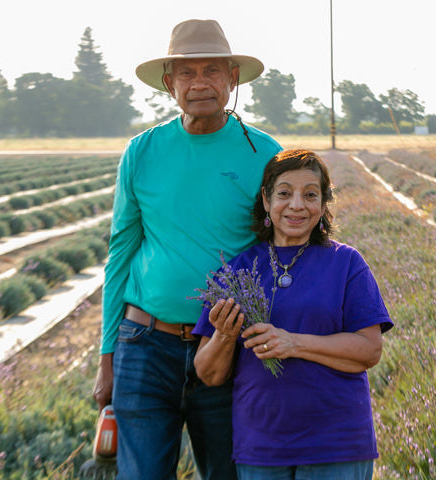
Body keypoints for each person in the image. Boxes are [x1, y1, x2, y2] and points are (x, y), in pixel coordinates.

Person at [91, 18, 282, 480]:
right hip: (144, 345)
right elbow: (121, 253)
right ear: (168, 83)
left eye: (212, 70)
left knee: (227, 473)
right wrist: (106, 356)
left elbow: (283, 253)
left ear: (232, 78)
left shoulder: (264, 154)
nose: (200, 84)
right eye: (187, 73)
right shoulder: (142, 151)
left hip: (226, 345)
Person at [193, 149, 393, 480]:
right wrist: (225, 335)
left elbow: (369, 350)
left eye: (310, 195)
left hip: (337, 444)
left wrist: (293, 343)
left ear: (324, 203)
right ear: (266, 199)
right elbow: (209, 373)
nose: (297, 205)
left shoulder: (346, 263)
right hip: (261, 446)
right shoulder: (237, 271)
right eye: (284, 193)